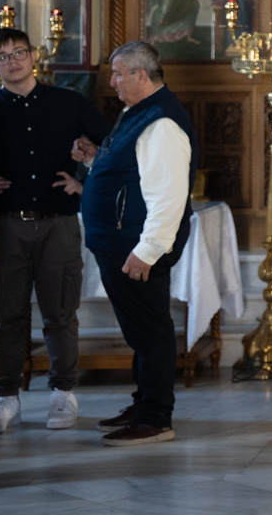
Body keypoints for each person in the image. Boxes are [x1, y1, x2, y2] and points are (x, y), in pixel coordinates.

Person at [0, 26, 110, 435]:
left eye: (19, 52)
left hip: (58, 224)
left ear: (34, 56)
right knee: (7, 316)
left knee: (61, 313)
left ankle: (63, 393)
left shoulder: (68, 102)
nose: (13, 61)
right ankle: (6, 398)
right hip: (6, 226)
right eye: (2, 57)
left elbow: (114, 146)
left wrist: (86, 179)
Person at [76, 41, 196, 446]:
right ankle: (143, 404)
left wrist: (147, 251)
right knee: (140, 333)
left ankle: (156, 418)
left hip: (134, 247)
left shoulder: (161, 122)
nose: (112, 82)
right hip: (120, 241)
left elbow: (168, 195)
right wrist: (94, 160)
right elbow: (132, 173)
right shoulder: (140, 112)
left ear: (141, 75)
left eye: (118, 74)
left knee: (150, 333)